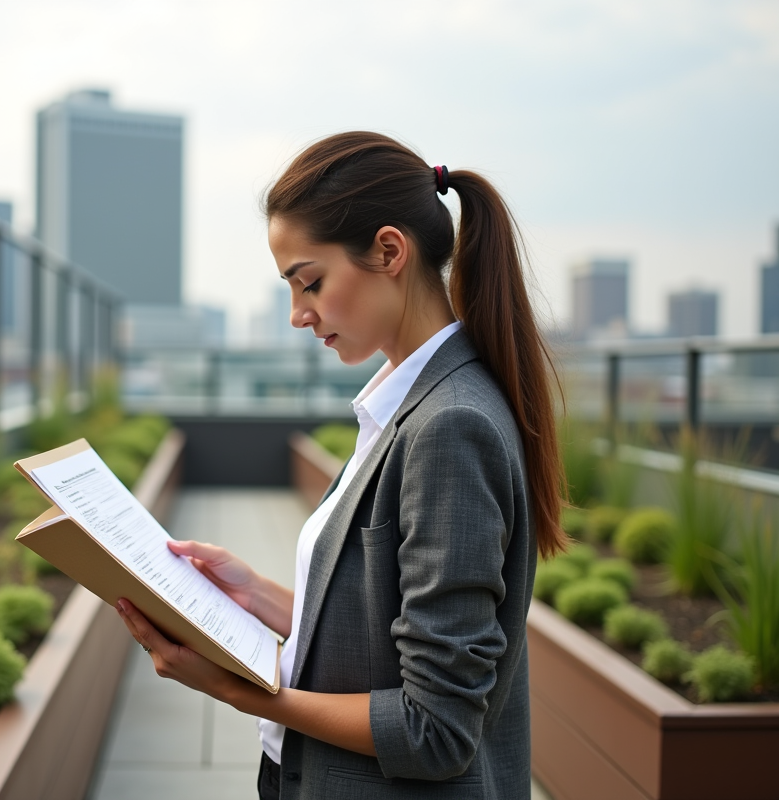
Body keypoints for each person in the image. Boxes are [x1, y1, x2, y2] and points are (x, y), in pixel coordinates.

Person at [115, 131, 565, 799]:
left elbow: (434, 728)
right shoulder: (409, 404)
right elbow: (389, 629)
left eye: (311, 283)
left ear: (389, 251)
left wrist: (250, 694)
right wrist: (255, 595)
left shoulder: (449, 428)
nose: (299, 314)